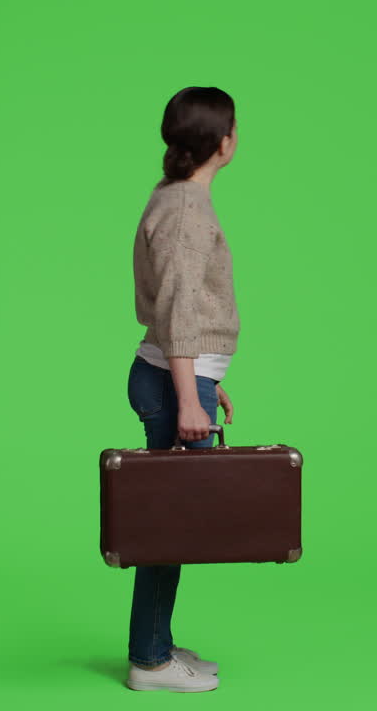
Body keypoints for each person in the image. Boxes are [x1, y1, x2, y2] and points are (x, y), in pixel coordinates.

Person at [124, 87, 239, 692]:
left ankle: (157, 643)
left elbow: (187, 307)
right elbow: (178, 307)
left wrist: (205, 381)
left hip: (183, 376)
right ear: (222, 142)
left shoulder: (177, 196)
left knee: (172, 520)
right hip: (175, 382)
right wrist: (189, 394)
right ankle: (149, 662)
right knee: (167, 523)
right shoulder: (187, 209)